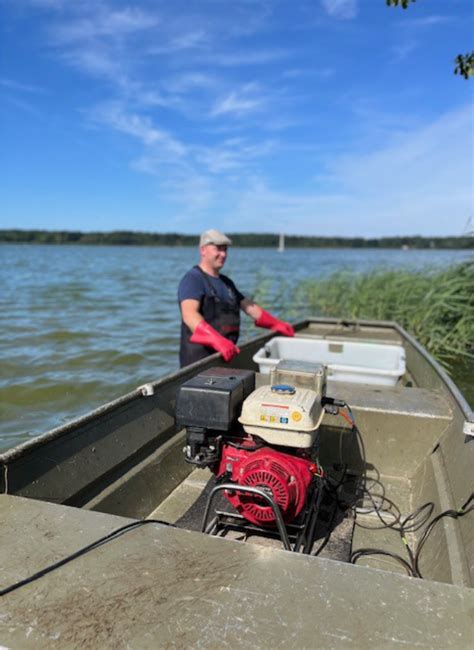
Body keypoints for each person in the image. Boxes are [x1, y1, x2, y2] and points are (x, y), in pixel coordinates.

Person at [178, 229, 295, 367]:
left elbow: (250, 308)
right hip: (198, 363)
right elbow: (189, 315)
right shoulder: (193, 279)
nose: (223, 254)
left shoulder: (227, 283)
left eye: (225, 249)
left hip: (225, 357)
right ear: (203, 250)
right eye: (218, 249)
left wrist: (276, 323)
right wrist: (217, 340)